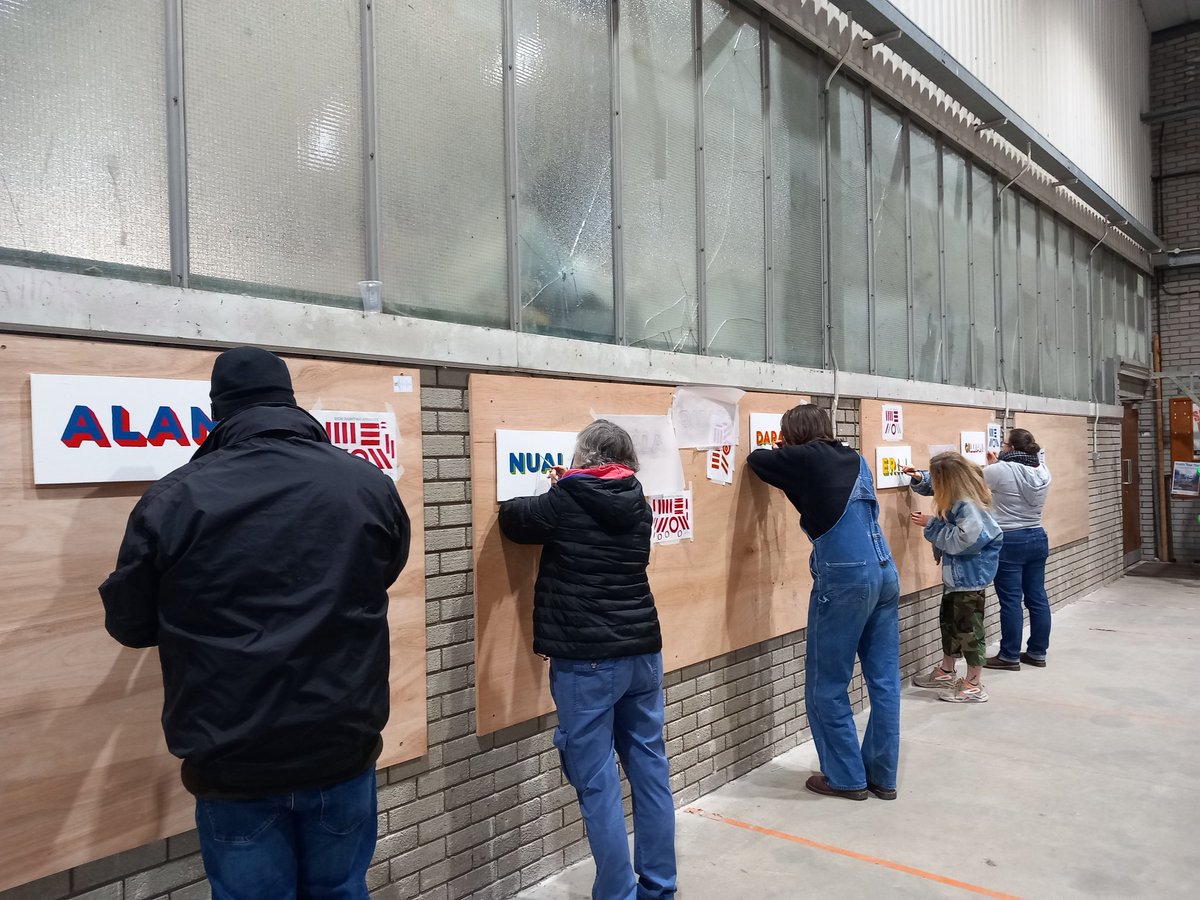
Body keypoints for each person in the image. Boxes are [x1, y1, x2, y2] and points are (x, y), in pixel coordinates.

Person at [99, 347, 410, 900]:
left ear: (218, 410)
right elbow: (382, 571)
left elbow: (130, 622)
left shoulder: (175, 498)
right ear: (290, 402)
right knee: (341, 889)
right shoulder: (367, 485)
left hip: (233, 762)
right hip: (341, 748)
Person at [498, 420, 676, 900]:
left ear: (584, 457)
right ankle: (659, 886)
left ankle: (618, 893)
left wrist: (561, 485)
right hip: (642, 652)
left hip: (587, 661)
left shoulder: (564, 499)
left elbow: (514, 519)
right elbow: (593, 505)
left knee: (597, 782)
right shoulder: (638, 500)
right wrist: (570, 483)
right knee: (650, 769)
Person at [747, 404, 900, 802]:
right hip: (885, 570)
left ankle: (845, 777)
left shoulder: (804, 457)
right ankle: (882, 775)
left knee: (826, 684)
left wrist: (783, 448)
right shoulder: (855, 458)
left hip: (847, 575)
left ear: (792, 434)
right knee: (883, 682)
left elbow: (756, 459)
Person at [904, 453, 1003, 703]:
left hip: (968, 580)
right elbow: (939, 490)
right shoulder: (959, 495)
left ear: (948, 481)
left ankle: (973, 684)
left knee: (969, 632)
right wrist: (919, 478)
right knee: (950, 625)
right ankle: (946, 671)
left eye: (936, 479)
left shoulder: (968, 506)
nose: (934, 486)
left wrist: (931, 525)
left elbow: (965, 540)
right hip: (957, 579)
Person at [982, 428, 1052, 671]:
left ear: (1011, 448)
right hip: (1037, 536)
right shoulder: (1042, 470)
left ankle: (1009, 655)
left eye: (1004, 445)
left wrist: (991, 465)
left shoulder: (1000, 470)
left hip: (1010, 539)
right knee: (1037, 597)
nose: (1000, 448)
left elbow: (972, 485)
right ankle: (1037, 652)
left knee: (1011, 600)